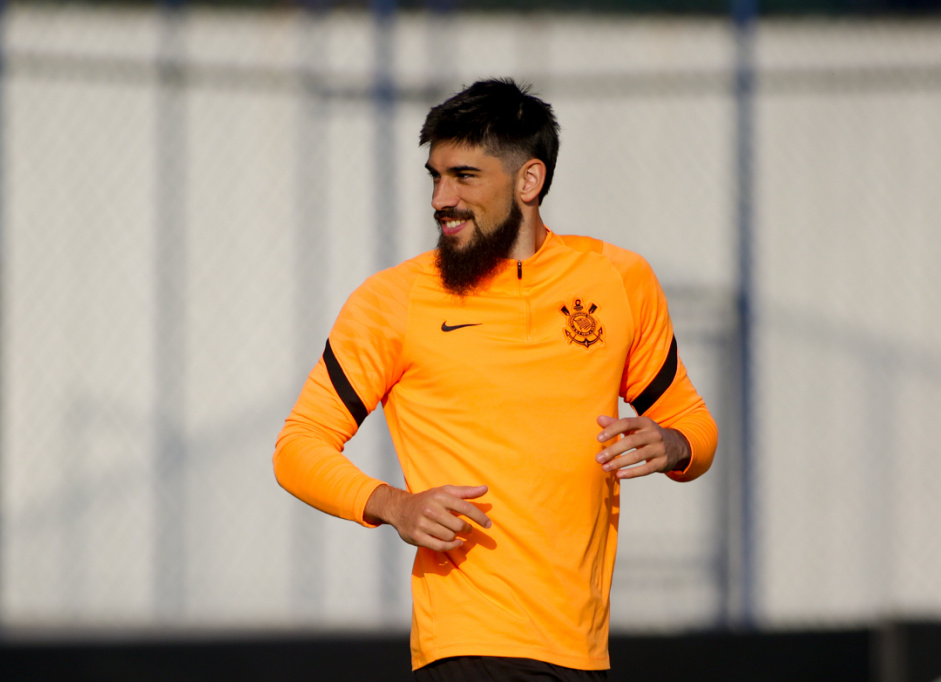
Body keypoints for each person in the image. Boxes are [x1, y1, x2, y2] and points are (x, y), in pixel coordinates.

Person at [273, 78, 718, 682]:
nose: (440, 198)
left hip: (580, 652)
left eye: (464, 176)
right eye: (435, 176)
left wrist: (674, 446)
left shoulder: (618, 281)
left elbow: (696, 425)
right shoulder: (393, 300)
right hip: (466, 648)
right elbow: (298, 446)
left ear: (528, 181)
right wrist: (392, 505)